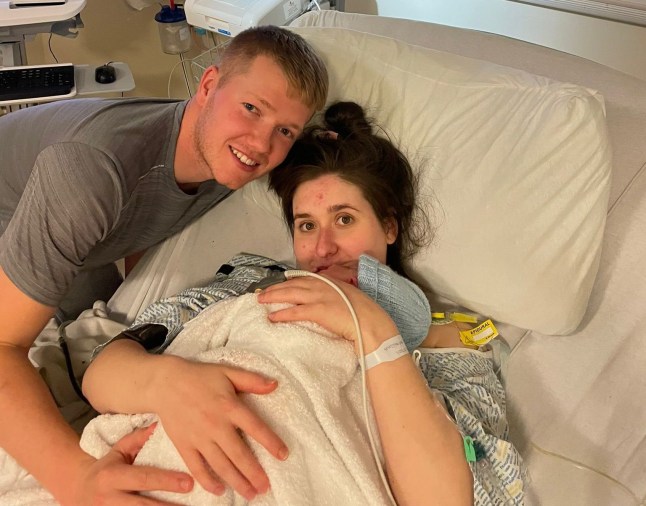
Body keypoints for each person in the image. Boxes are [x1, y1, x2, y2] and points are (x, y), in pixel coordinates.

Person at [83, 102, 525, 505]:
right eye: (306, 225)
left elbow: (453, 498)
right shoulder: (248, 283)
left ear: (389, 226)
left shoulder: (445, 344)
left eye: (345, 219)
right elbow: (105, 370)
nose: (324, 247)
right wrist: (170, 384)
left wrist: (372, 330)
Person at [0, 26, 328, 505]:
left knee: (76, 356)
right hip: (15, 213)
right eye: (251, 108)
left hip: (66, 227)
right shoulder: (91, 177)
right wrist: (77, 480)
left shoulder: (228, 156)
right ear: (209, 85)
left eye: (284, 131)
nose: (260, 144)